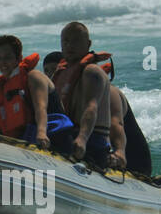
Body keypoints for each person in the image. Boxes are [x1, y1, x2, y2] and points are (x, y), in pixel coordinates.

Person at [50, 22, 117, 168]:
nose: (70, 45)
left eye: (75, 41)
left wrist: (82, 138)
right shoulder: (61, 72)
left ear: (88, 44)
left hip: (92, 140)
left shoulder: (92, 72)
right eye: (66, 41)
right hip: (67, 134)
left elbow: (91, 107)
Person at [0, 34, 64, 149]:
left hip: (52, 138)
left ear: (19, 58)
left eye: (7, 57)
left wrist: (42, 132)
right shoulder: (3, 86)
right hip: (27, 140)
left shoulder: (34, 77)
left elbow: (41, 107)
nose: (2, 63)